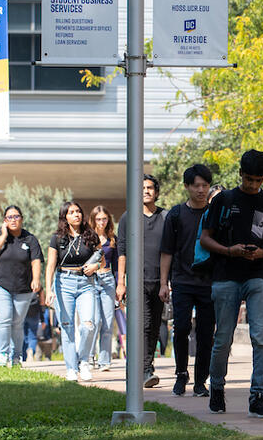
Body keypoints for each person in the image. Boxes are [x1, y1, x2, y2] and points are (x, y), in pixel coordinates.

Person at [201, 149, 263, 418]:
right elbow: (205, 238)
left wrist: (260, 253)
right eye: (249, 179)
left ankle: (258, 396)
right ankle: (216, 389)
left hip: (258, 275)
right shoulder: (223, 199)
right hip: (225, 275)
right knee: (222, 339)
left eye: (258, 180)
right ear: (240, 174)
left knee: (261, 338)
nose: (252, 185)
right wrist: (229, 250)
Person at [160, 164, 216, 397]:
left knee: (205, 334)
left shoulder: (215, 213)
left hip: (209, 282)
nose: (201, 190)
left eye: (205, 185)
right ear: (187, 187)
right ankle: (181, 373)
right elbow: (166, 251)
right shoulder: (175, 214)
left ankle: (201, 380)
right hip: (182, 281)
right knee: (181, 328)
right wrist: (164, 283)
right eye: (196, 186)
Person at [117, 174, 168, 387]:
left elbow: (169, 251)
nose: (146, 191)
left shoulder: (166, 216)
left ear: (156, 192)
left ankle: (144, 367)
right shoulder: (128, 218)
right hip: (137, 281)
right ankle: (144, 369)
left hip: (159, 280)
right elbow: (122, 251)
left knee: (155, 326)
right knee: (143, 325)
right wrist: (121, 282)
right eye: (142, 188)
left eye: (150, 188)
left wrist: (167, 281)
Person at [45, 201, 102, 382]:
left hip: (86, 282)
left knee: (88, 325)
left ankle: (83, 361)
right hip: (64, 282)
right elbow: (51, 265)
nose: (76, 215)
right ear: (65, 216)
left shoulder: (91, 236)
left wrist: (96, 266)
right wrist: (48, 290)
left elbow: (102, 260)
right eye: (71, 212)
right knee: (67, 327)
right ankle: (71, 368)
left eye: (78, 211)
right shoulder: (57, 238)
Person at [0, 207, 43, 367]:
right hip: (0, 286)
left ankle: (16, 356)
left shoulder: (29, 239)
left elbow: (36, 260)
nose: (13, 220)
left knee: (17, 323)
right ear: (4, 220)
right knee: (4, 319)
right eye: (9, 217)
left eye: (16, 216)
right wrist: (3, 236)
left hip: (23, 287)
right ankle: (2, 355)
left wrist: (36, 279)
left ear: (21, 219)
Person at [88, 205, 118, 371]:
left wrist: (120, 284)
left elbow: (118, 263)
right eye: (98, 219)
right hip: (91, 280)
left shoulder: (113, 239)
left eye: (104, 219)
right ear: (93, 220)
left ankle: (104, 361)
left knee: (107, 323)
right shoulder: (88, 238)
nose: (101, 222)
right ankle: (90, 355)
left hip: (108, 280)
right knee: (95, 321)